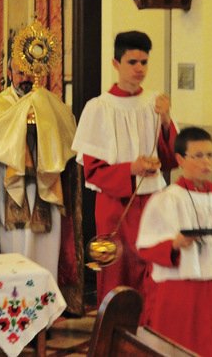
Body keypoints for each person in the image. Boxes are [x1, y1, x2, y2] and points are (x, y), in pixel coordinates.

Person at [0, 44, 84, 315]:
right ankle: (10, 309)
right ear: (9, 73)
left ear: (40, 72)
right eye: (19, 72)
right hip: (9, 188)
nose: (25, 77)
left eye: (30, 72)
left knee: (45, 250)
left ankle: (44, 312)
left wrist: (43, 123)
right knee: (13, 250)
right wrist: (22, 121)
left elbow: (69, 139)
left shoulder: (53, 104)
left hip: (47, 190)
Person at [71, 30, 178, 306]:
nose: (139, 68)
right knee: (117, 272)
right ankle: (116, 328)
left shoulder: (154, 103)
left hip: (153, 201)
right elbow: (93, 170)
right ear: (116, 63)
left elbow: (170, 158)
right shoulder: (98, 108)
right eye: (132, 62)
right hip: (115, 204)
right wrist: (132, 168)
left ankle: (150, 327)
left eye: (144, 62)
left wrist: (166, 119)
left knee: (153, 267)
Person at [136, 127, 212, 356]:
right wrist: (175, 244)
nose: (206, 162)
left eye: (211, 155)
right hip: (177, 294)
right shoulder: (164, 200)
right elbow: (145, 247)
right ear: (180, 159)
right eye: (198, 156)